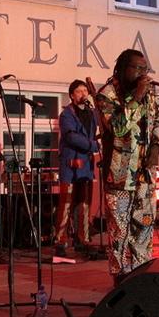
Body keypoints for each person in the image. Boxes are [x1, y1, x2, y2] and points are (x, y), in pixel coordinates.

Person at [95, 49, 159, 284]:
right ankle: (121, 279)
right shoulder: (106, 95)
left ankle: (142, 276)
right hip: (120, 175)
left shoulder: (150, 94)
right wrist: (137, 95)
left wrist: (156, 147)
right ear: (123, 68)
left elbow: (157, 121)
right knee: (120, 231)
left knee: (144, 226)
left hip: (145, 174)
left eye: (145, 69)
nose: (142, 73)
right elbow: (118, 128)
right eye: (137, 68)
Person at [54, 79, 98, 257]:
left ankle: (83, 239)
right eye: (79, 91)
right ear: (72, 95)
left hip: (86, 165)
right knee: (66, 203)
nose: (83, 94)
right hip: (71, 165)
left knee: (84, 203)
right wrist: (93, 145)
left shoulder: (91, 113)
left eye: (85, 91)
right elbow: (71, 137)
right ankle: (60, 241)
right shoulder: (66, 115)